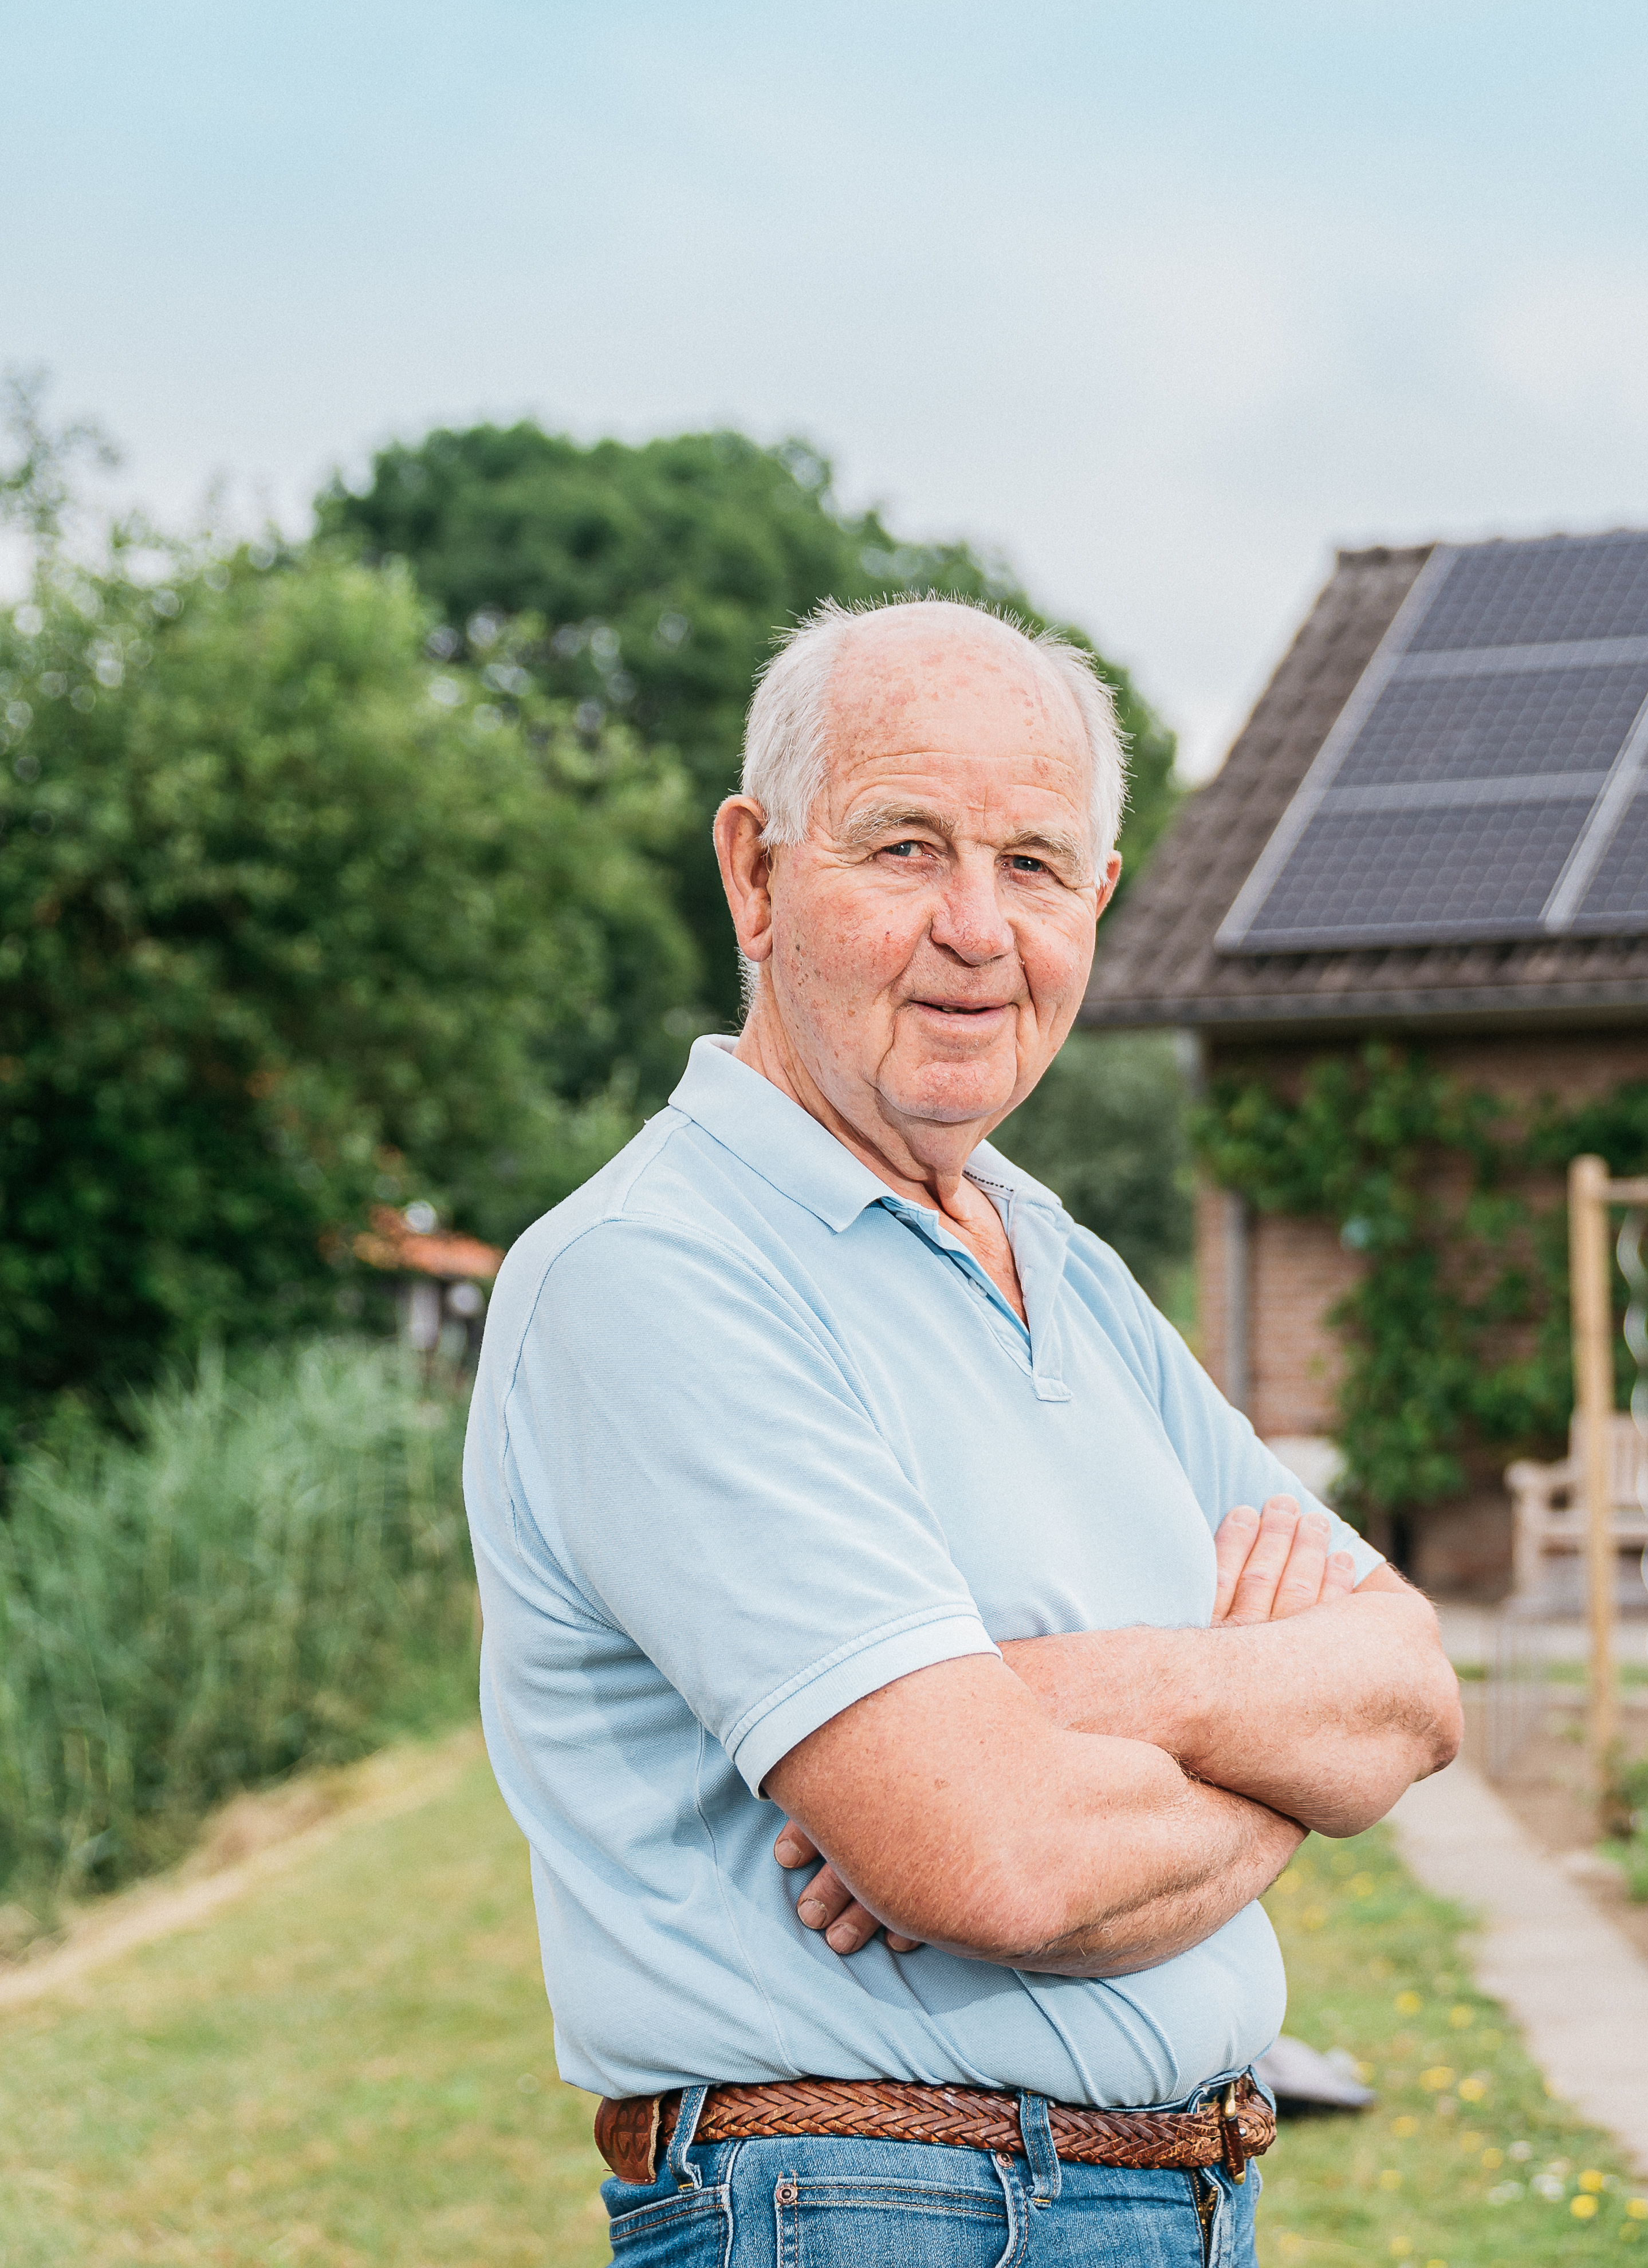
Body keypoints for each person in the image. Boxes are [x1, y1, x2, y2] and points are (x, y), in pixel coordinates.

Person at [463, 598, 1462, 2267]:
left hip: (1176, 2194)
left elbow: (1413, 1693)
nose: (978, 930)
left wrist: (1073, 1695)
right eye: (907, 847)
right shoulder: (653, 1276)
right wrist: (1284, 1763)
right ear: (757, 876)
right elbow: (1000, 1858)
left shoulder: (1058, 1259)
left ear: (1100, 906)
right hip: (878, 2209)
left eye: (1036, 866)